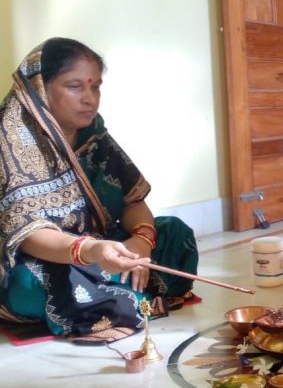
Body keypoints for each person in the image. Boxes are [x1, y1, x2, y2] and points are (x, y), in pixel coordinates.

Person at [0, 38, 199, 344]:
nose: (90, 99)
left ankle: (115, 298)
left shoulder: (94, 134)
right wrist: (91, 251)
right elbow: (29, 236)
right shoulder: (10, 139)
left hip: (100, 249)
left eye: (96, 87)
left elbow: (132, 201)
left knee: (175, 232)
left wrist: (141, 243)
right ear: (40, 87)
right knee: (30, 282)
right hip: (42, 259)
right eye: (74, 86)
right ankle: (126, 294)